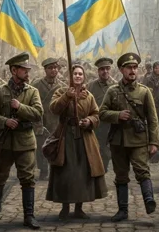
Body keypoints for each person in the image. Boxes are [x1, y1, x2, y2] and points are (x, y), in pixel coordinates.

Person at [0, 52, 44, 229]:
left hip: (25, 142)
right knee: (0, 175)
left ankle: (29, 215)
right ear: (14, 70)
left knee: (28, 178)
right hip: (5, 141)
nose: (27, 72)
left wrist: (20, 107)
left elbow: (38, 113)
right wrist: (4, 121)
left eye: (27, 69)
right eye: (24, 69)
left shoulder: (32, 91)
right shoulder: (0, 92)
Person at [99, 52, 159, 222]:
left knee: (142, 171)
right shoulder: (113, 91)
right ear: (121, 70)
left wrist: (154, 141)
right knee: (121, 175)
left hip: (138, 140)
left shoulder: (144, 92)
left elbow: (153, 119)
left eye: (135, 67)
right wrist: (117, 115)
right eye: (129, 68)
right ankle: (122, 210)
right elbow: (101, 113)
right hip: (118, 141)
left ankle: (149, 200)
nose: (132, 71)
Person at [46, 63, 107, 219]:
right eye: (75, 74)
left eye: (80, 74)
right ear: (70, 77)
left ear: (84, 77)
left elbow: (96, 114)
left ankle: (79, 207)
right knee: (65, 172)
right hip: (65, 136)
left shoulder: (89, 96)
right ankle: (65, 207)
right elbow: (54, 109)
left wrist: (89, 121)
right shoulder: (61, 92)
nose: (78, 76)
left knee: (83, 172)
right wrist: (67, 96)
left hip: (84, 138)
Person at [31, 57, 63, 181]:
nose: (53, 70)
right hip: (41, 120)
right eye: (50, 68)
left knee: (56, 147)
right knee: (41, 147)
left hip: (56, 120)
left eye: (55, 68)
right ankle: (43, 170)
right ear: (45, 70)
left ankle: (54, 170)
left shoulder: (62, 85)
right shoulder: (36, 85)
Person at [87, 57, 116, 169]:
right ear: (98, 71)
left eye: (107, 69)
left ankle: (102, 170)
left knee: (108, 151)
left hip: (111, 124)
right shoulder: (91, 86)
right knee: (95, 149)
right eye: (102, 69)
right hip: (97, 124)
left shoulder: (116, 86)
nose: (105, 71)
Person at [141, 60, 159, 162]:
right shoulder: (148, 79)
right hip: (151, 106)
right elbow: (143, 91)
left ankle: (158, 151)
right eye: (156, 68)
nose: (158, 69)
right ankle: (150, 153)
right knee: (150, 128)